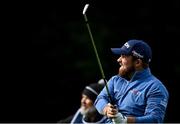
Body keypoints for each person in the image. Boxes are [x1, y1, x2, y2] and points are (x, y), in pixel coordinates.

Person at [94, 39, 169, 123]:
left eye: (123, 56)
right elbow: (100, 99)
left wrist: (126, 121)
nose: (118, 60)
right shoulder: (115, 80)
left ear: (137, 62)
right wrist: (106, 109)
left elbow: (155, 119)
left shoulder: (156, 87)